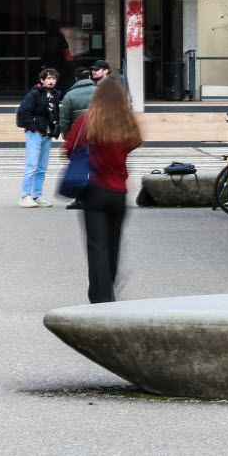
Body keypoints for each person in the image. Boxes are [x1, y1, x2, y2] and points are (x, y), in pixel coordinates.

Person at [63, 76, 143, 303]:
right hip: (118, 191)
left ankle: (100, 297)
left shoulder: (87, 121)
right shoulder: (127, 123)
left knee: (96, 245)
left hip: (93, 189)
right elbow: (134, 143)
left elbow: (68, 148)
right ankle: (110, 287)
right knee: (113, 243)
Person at [16, 68, 60, 208]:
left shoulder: (54, 95)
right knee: (32, 165)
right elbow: (24, 112)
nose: (51, 81)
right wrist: (34, 127)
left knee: (41, 167)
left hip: (47, 134)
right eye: (48, 78)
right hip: (35, 134)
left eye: (53, 79)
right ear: (42, 80)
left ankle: (37, 195)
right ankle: (25, 196)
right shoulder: (34, 94)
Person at [60, 67, 96, 139]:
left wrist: (67, 137)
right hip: (97, 134)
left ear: (76, 79)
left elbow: (64, 120)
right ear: (89, 77)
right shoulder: (100, 92)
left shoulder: (69, 95)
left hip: (77, 136)